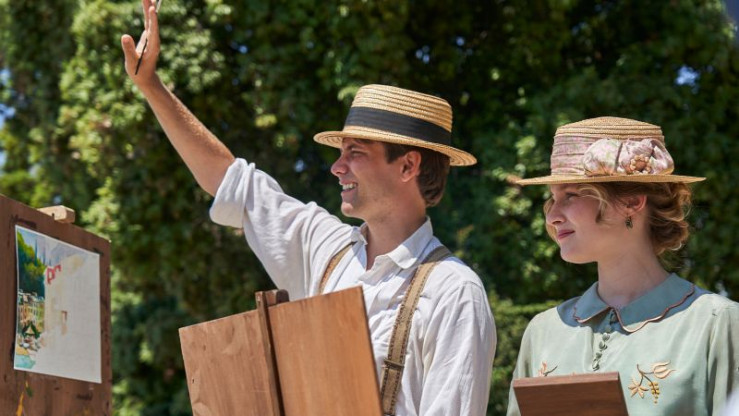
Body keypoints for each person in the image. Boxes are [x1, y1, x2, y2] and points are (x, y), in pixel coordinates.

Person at [120, 1, 496, 414]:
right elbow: (231, 182)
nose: (337, 167)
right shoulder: (326, 250)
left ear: (408, 165)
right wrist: (152, 87)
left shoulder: (453, 292)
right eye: (340, 152)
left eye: (355, 152)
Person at [508, 116, 739, 415]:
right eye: (552, 198)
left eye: (571, 195)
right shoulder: (543, 332)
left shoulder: (717, 324)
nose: (552, 216)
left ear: (632, 201)